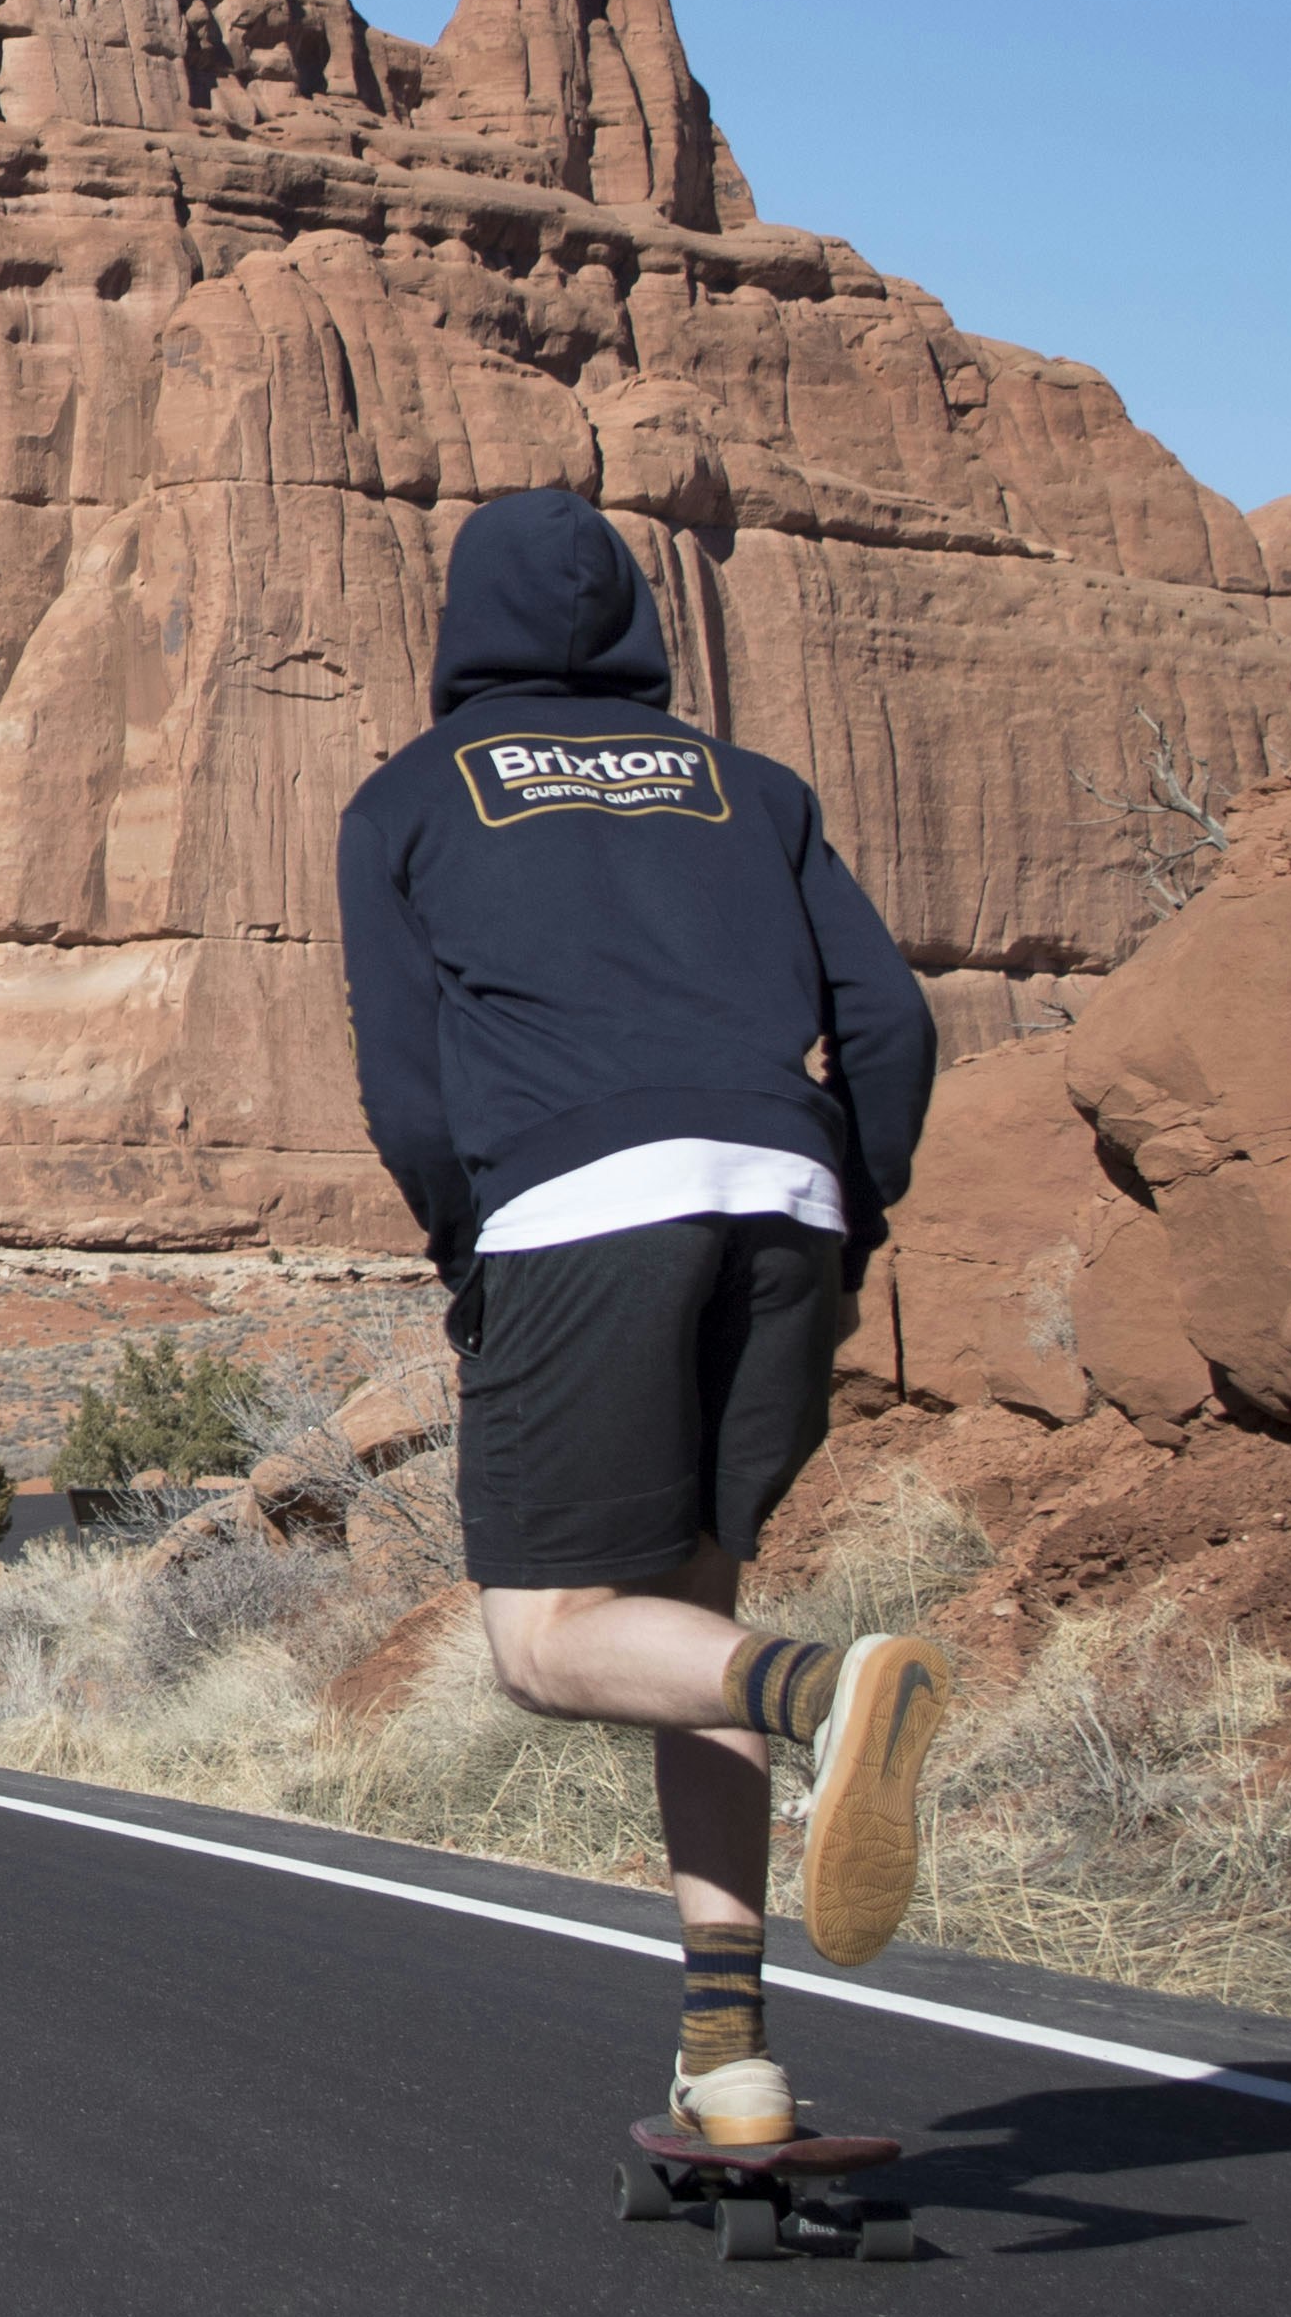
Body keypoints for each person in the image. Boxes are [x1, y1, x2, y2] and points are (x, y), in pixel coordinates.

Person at [335, 488, 951, 2151]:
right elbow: (887, 1019)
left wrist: (476, 1245)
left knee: (545, 1648)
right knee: (696, 1637)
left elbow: (407, 1091)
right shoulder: (752, 791)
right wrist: (855, 1206)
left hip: (576, 1212)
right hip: (783, 1202)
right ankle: (730, 2058)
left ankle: (835, 1693)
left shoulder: (409, 801)